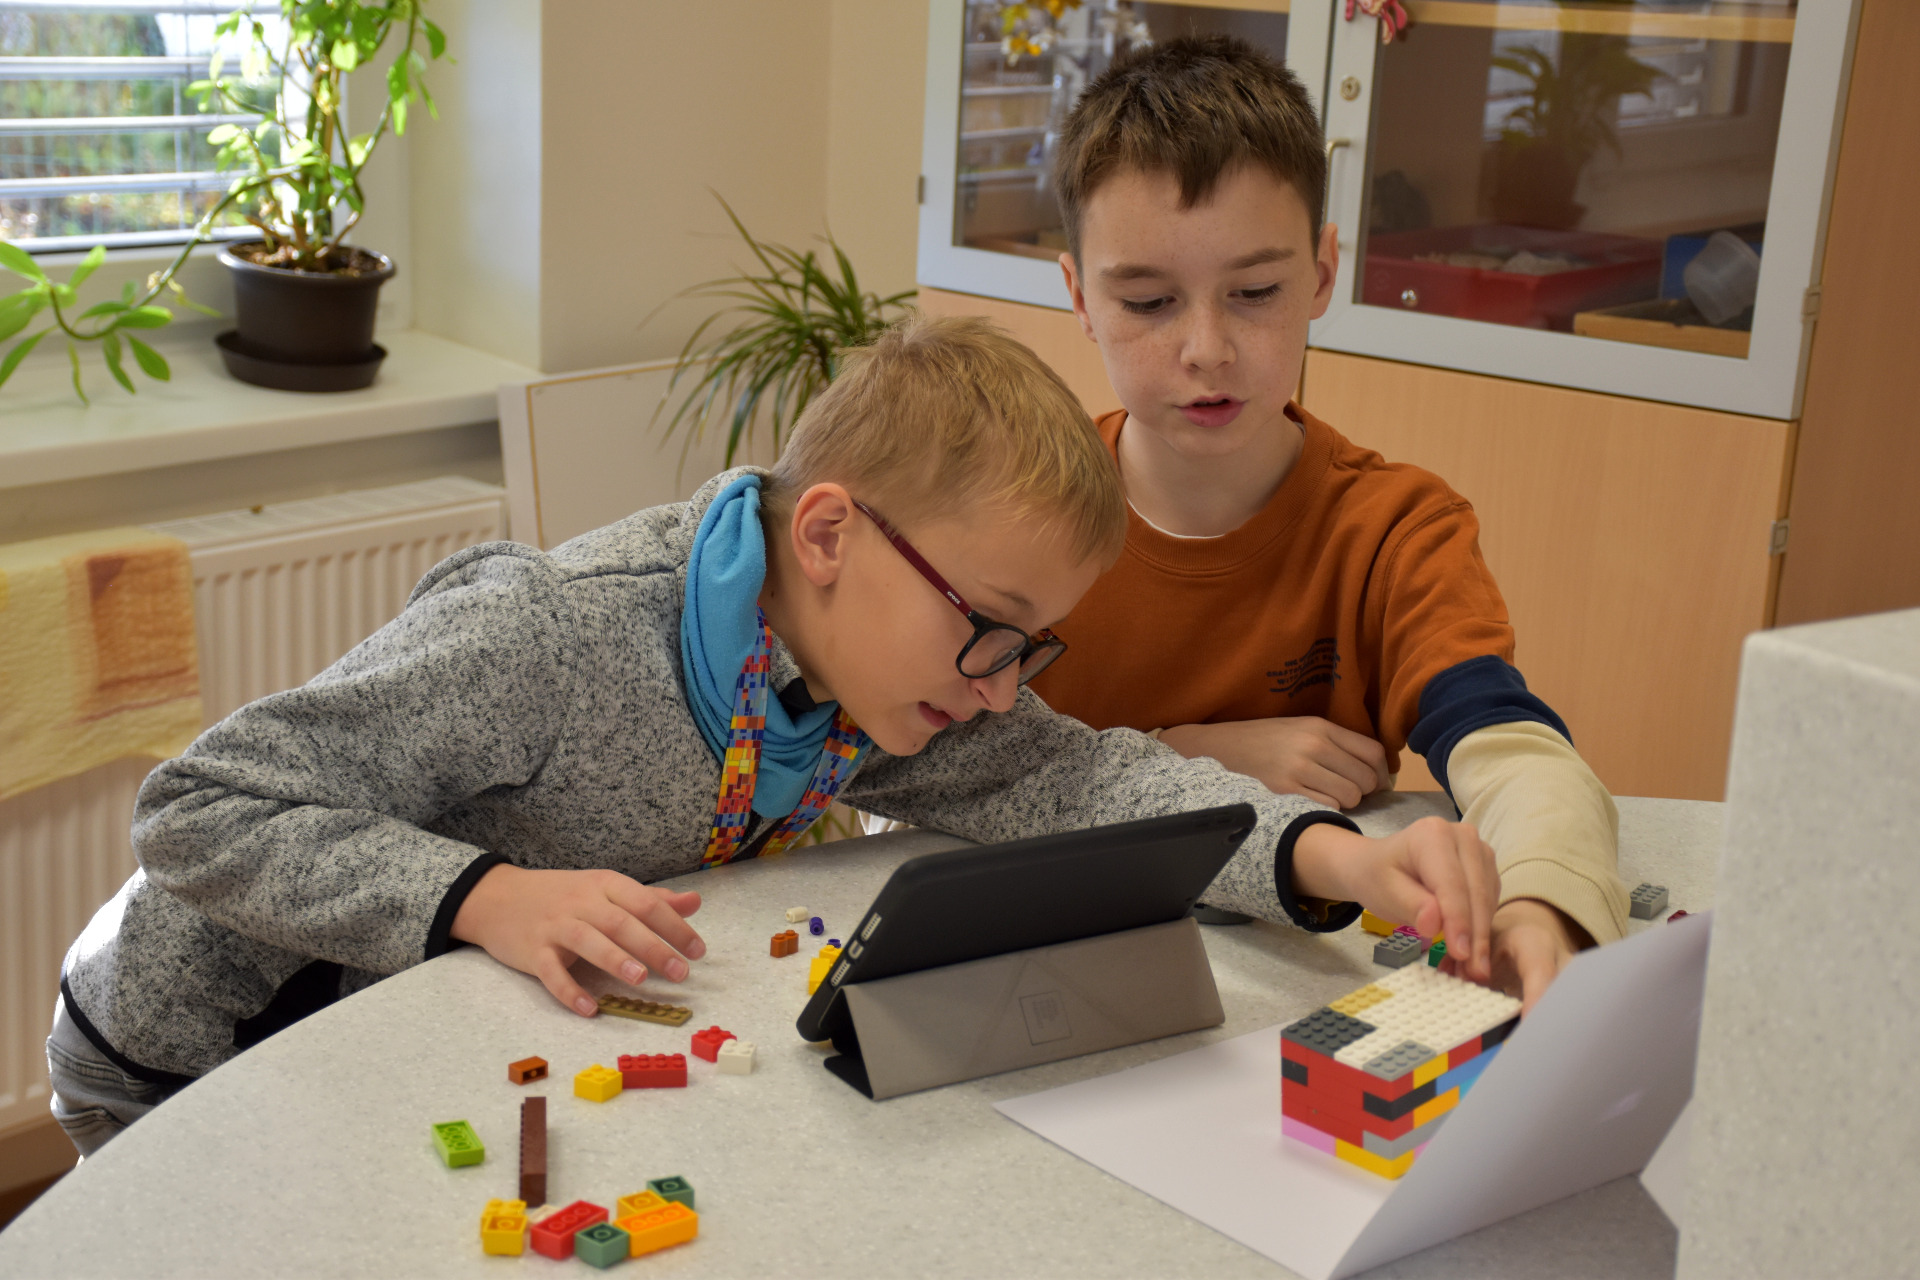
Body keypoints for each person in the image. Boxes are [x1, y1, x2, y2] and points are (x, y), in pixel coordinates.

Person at [49, 315, 1498, 1157]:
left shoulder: (878, 678)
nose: (1003, 687)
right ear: (828, 535)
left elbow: (1077, 775)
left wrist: (1334, 860)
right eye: (991, 628)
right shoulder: (549, 636)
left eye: (1031, 646)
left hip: (407, 1028)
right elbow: (199, 804)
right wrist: (487, 896)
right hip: (198, 1041)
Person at [1028, 36, 1628, 1012]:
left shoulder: (1397, 531)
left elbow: (1517, 756)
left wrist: (1544, 907)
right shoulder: (1013, 521)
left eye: (1256, 292)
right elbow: (938, 785)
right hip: (1054, 994)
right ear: (1078, 298)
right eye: (1148, 300)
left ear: (1321, 273)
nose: (1207, 349)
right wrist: (1193, 757)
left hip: (1295, 1005)